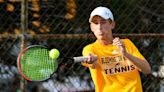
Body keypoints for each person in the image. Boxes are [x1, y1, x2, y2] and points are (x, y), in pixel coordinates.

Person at [82, 6, 151, 92]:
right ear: (91, 27)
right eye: (95, 23)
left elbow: (147, 69)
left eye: (103, 22)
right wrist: (92, 61)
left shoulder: (126, 43)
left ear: (112, 24)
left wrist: (125, 54)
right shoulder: (90, 49)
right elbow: (93, 64)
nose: (99, 27)